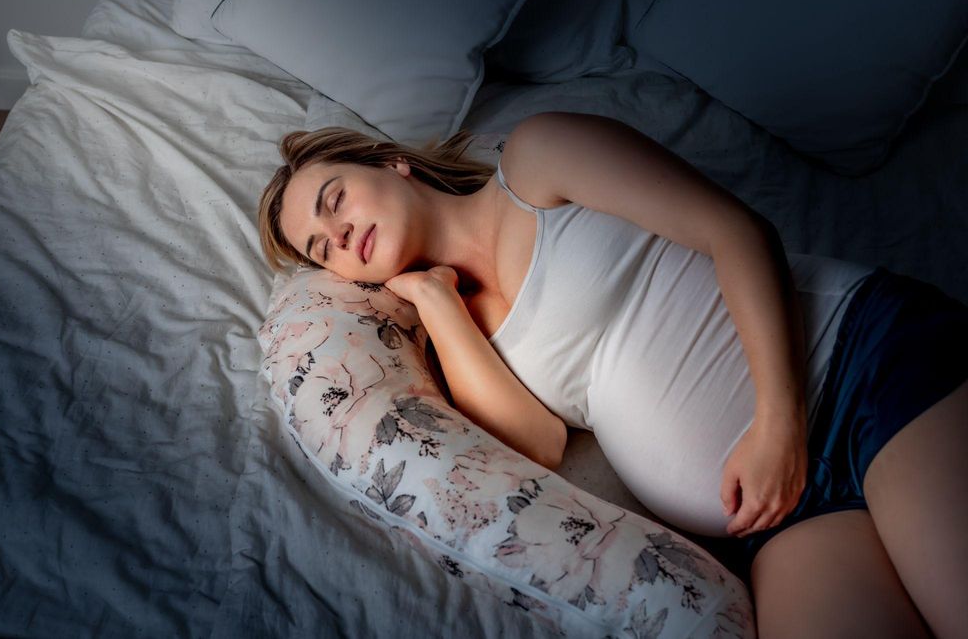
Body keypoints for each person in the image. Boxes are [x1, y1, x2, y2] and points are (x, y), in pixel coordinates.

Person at [257, 111, 968, 638]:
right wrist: (435, 298)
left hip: (857, 368)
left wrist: (779, 425)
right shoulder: (453, 337)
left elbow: (738, 231)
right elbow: (535, 442)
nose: (341, 235)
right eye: (324, 248)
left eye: (335, 200)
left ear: (390, 164)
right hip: (780, 518)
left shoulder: (534, 162)